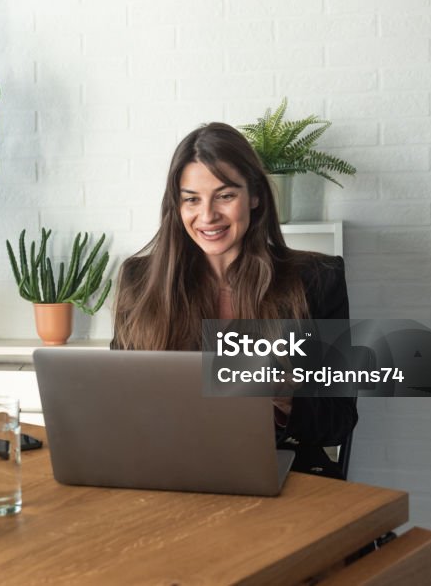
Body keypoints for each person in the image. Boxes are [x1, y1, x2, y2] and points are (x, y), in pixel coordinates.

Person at [111, 122, 357, 479]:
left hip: (279, 468)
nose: (207, 215)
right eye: (192, 199)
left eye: (225, 195)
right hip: (169, 468)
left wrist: (284, 393)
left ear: (254, 196)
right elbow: (118, 401)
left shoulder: (316, 280)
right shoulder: (139, 280)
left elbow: (338, 422)